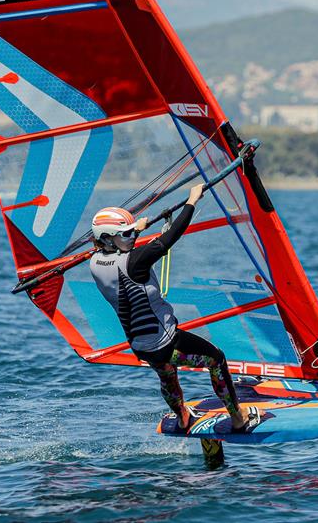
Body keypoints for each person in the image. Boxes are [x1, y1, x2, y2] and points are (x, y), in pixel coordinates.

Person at [88, 184, 259, 433]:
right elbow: (169, 239)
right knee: (217, 360)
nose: (132, 238)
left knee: (166, 374)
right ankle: (238, 418)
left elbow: (119, 251)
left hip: (140, 345)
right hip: (167, 343)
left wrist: (134, 229)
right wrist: (192, 201)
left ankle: (182, 418)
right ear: (107, 239)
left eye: (130, 233)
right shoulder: (134, 262)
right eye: (125, 235)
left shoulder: (95, 262)